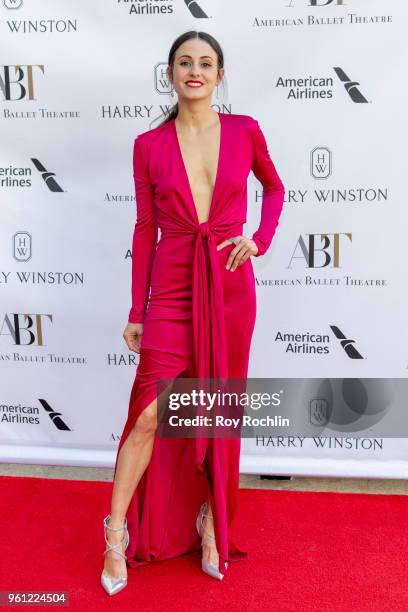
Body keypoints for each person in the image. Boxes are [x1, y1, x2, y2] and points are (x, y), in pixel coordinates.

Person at [100, 30, 285, 596]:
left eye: (206, 63)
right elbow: (144, 230)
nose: (195, 71)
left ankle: (210, 521)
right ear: (171, 73)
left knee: (214, 412)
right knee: (150, 416)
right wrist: (138, 310)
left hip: (229, 287)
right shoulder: (148, 144)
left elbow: (274, 190)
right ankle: (114, 535)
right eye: (185, 62)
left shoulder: (244, 130)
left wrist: (259, 239)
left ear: (220, 75)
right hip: (173, 292)